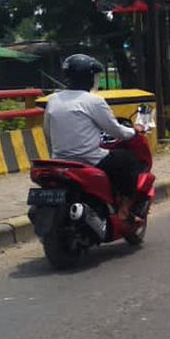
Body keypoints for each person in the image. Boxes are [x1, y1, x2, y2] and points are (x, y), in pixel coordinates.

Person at [43, 54, 146, 222]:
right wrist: (134, 132)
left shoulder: (53, 100)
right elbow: (115, 131)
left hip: (59, 161)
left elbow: (47, 131)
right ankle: (124, 211)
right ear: (89, 78)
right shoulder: (93, 101)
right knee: (128, 162)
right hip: (90, 160)